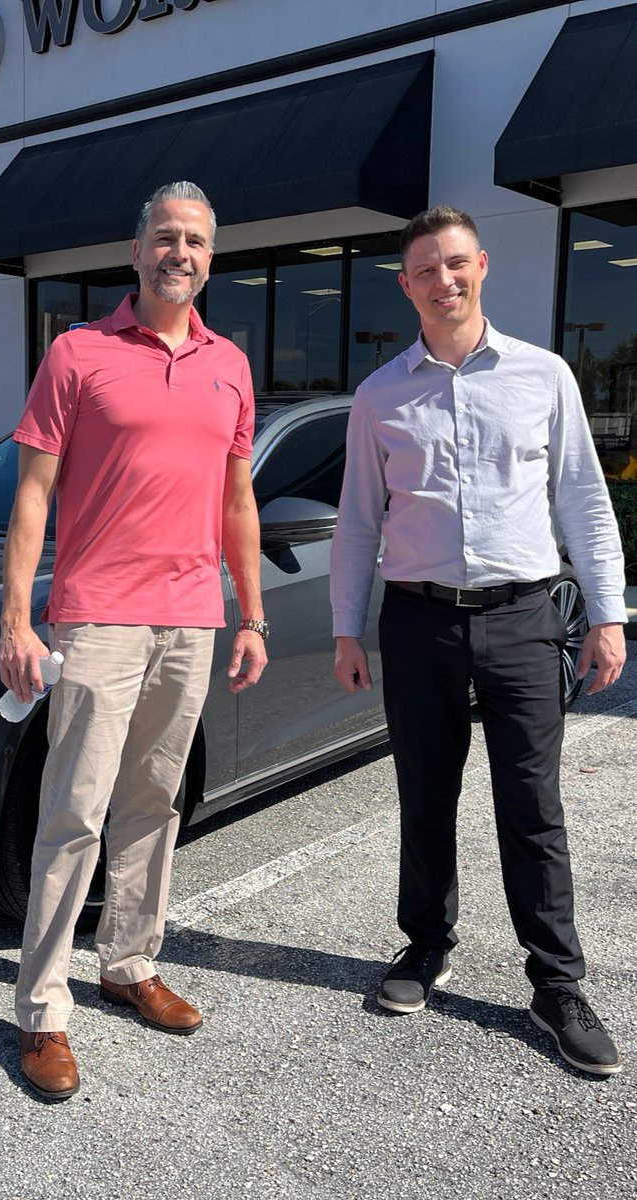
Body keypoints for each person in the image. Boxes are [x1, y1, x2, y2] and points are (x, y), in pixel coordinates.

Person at [330, 204, 626, 1076]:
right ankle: (425, 947)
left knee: (532, 807)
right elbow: (357, 522)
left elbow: (583, 499)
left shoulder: (544, 376)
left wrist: (607, 614)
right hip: (419, 620)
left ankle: (557, 983)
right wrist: (347, 627)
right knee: (425, 796)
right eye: (425, 269)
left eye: (455, 264)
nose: (443, 280)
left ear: (483, 266)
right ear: (405, 284)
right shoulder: (380, 395)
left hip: (526, 617)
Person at [0, 180, 268, 1100]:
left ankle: (129, 963)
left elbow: (239, 501)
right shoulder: (77, 354)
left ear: (210, 256)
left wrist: (253, 612)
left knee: (154, 804)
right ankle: (42, 1009)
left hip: (192, 616)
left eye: (195, 240)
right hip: (98, 614)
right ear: (137, 249)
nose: (180, 252)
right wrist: (16, 619)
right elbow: (32, 494)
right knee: (74, 809)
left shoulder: (231, 364)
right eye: (165, 237)